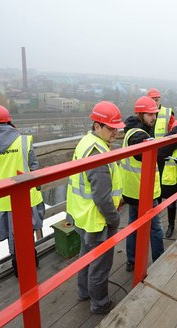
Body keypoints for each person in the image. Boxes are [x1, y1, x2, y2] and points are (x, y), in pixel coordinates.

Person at [65, 101, 124, 314]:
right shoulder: (98, 154)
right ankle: (99, 304)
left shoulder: (86, 142)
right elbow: (102, 198)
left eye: (117, 127)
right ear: (97, 125)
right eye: (111, 128)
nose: (115, 132)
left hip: (81, 215)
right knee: (100, 265)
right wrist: (114, 220)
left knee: (86, 256)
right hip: (97, 220)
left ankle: (84, 292)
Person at [0, 105, 45, 277]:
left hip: (3, 200)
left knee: (13, 236)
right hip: (28, 196)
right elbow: (34, 167)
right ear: (9, 121)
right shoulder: (23, 141)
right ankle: (30, 263)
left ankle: (18, 268)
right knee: (27, 232)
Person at [121, 96, 165, 272]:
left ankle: (131, 260)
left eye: (154, 113)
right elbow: (150, 152)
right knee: (155, 227)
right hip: (144, 191)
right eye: (149, 114)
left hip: (133, 190)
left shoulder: (133, 129)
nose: (153, 117)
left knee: (133, 224)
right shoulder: (139, 134)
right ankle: (159, 261)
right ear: (140, 114)